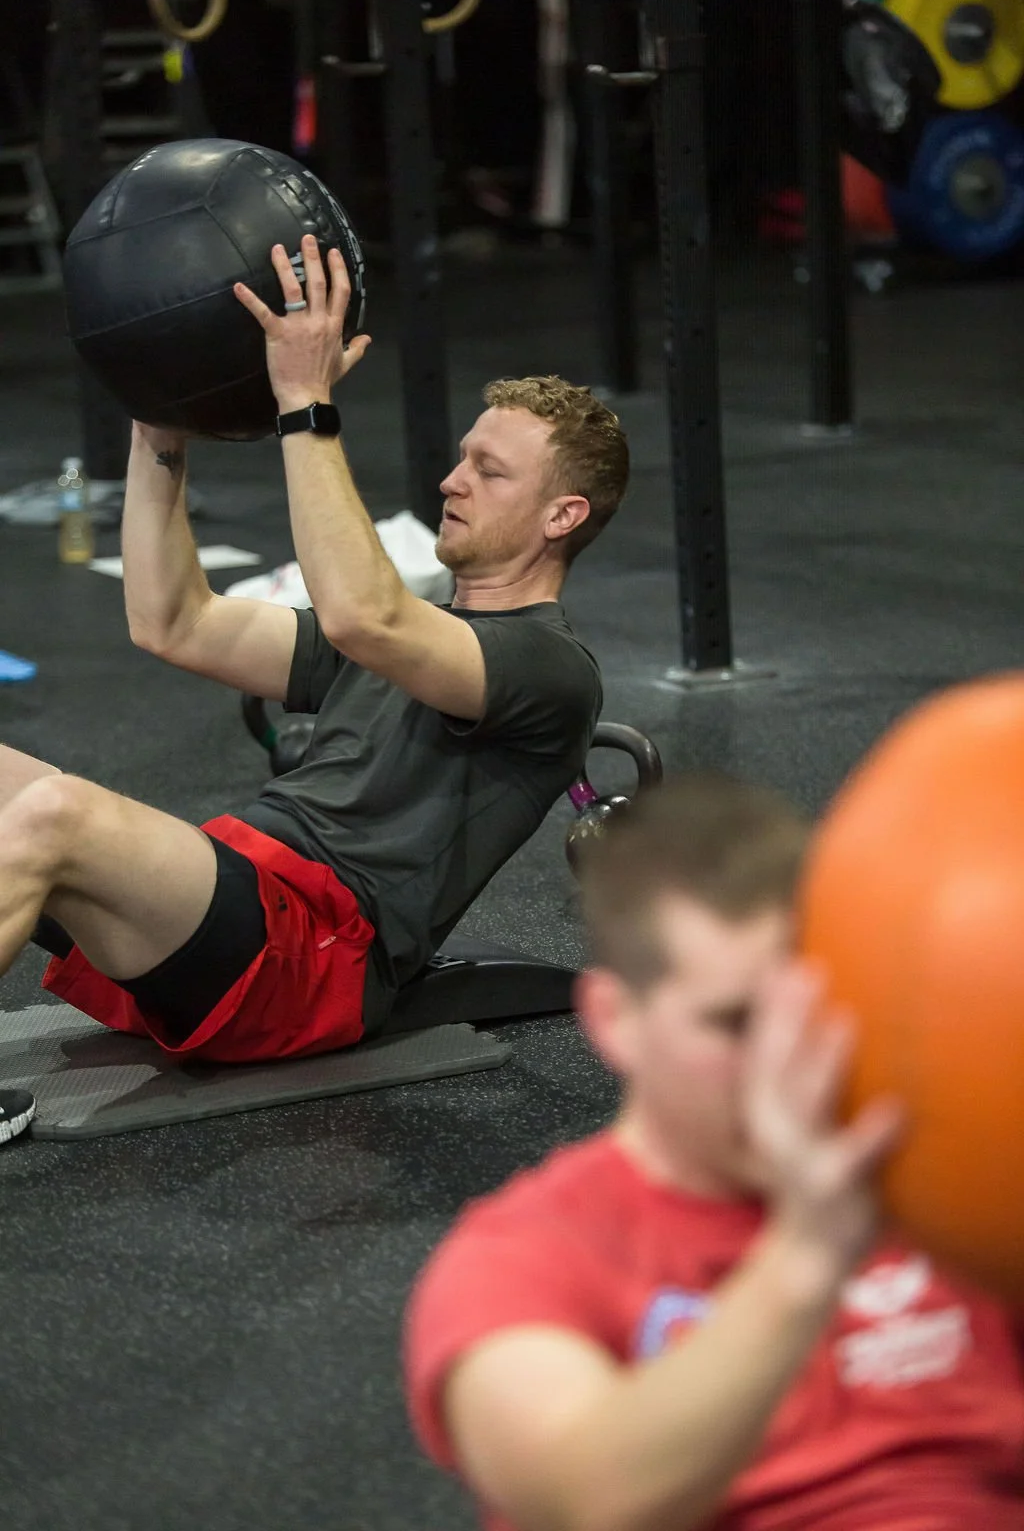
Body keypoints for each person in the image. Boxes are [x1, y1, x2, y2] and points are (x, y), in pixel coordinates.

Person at [0, 236, 627, 1063]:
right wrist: (161, 426)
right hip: (236, 903)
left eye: (490, 471)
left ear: (563, 517)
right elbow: (173, 621)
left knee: (57, 813)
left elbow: (367, 617)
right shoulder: (401, 635)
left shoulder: (549, 668)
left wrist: (304, 400)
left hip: (315, 954)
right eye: (460, 459)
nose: (452, 481)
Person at [404, 773, 1024, 1531]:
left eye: (813, 1005)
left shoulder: (940, 1183)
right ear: (614, 1017)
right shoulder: (519, 1260)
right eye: (734, 1023)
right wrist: (809, 1250)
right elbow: (587, 1499)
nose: (783, 1059)